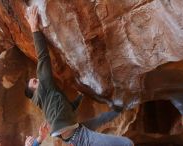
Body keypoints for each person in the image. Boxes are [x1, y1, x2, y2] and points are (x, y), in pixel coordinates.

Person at [24, 5, 134, 146]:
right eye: (34, 81)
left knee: (103, 118)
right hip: (79, 136)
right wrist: (34, 28)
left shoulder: (50, 99)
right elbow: (42, 57)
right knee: (127, 143)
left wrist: (81, 95)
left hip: (75, 130)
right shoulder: (43, 88)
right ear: (34, 90)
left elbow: (69, 108)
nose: (38, 79)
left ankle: (119, 108)